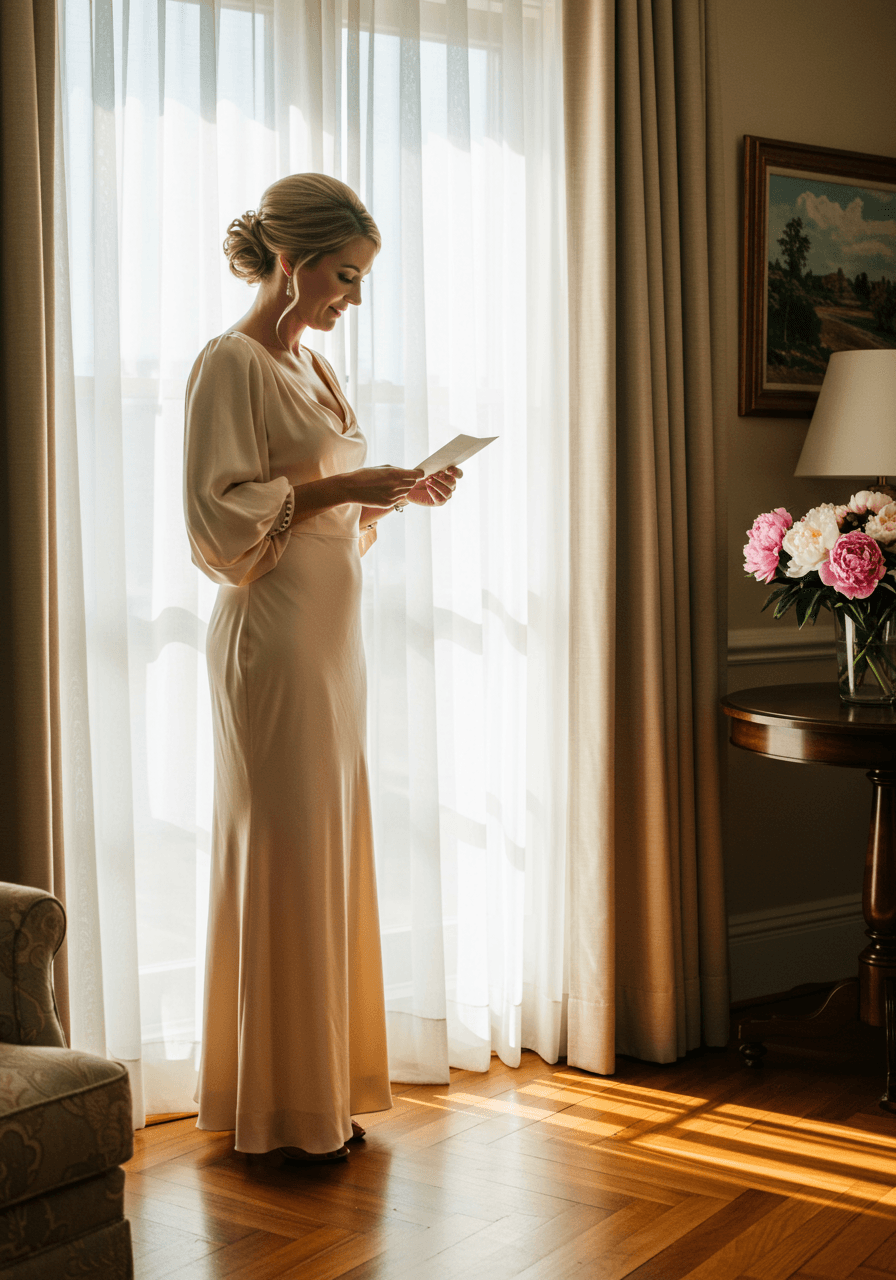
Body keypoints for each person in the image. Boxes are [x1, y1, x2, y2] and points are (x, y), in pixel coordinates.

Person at [183, 173, 461, 1164]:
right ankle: (277, 1108)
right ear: (294, 263)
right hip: (273, 639)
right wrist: (345, 481)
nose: (353, 295)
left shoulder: (313, 367)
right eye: (345, 275)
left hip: (330, 640)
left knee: (322, 848)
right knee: (284, 850)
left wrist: (392, 497)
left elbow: (319, 513)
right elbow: (221, 521)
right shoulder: (231, 361)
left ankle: (318, 1094)